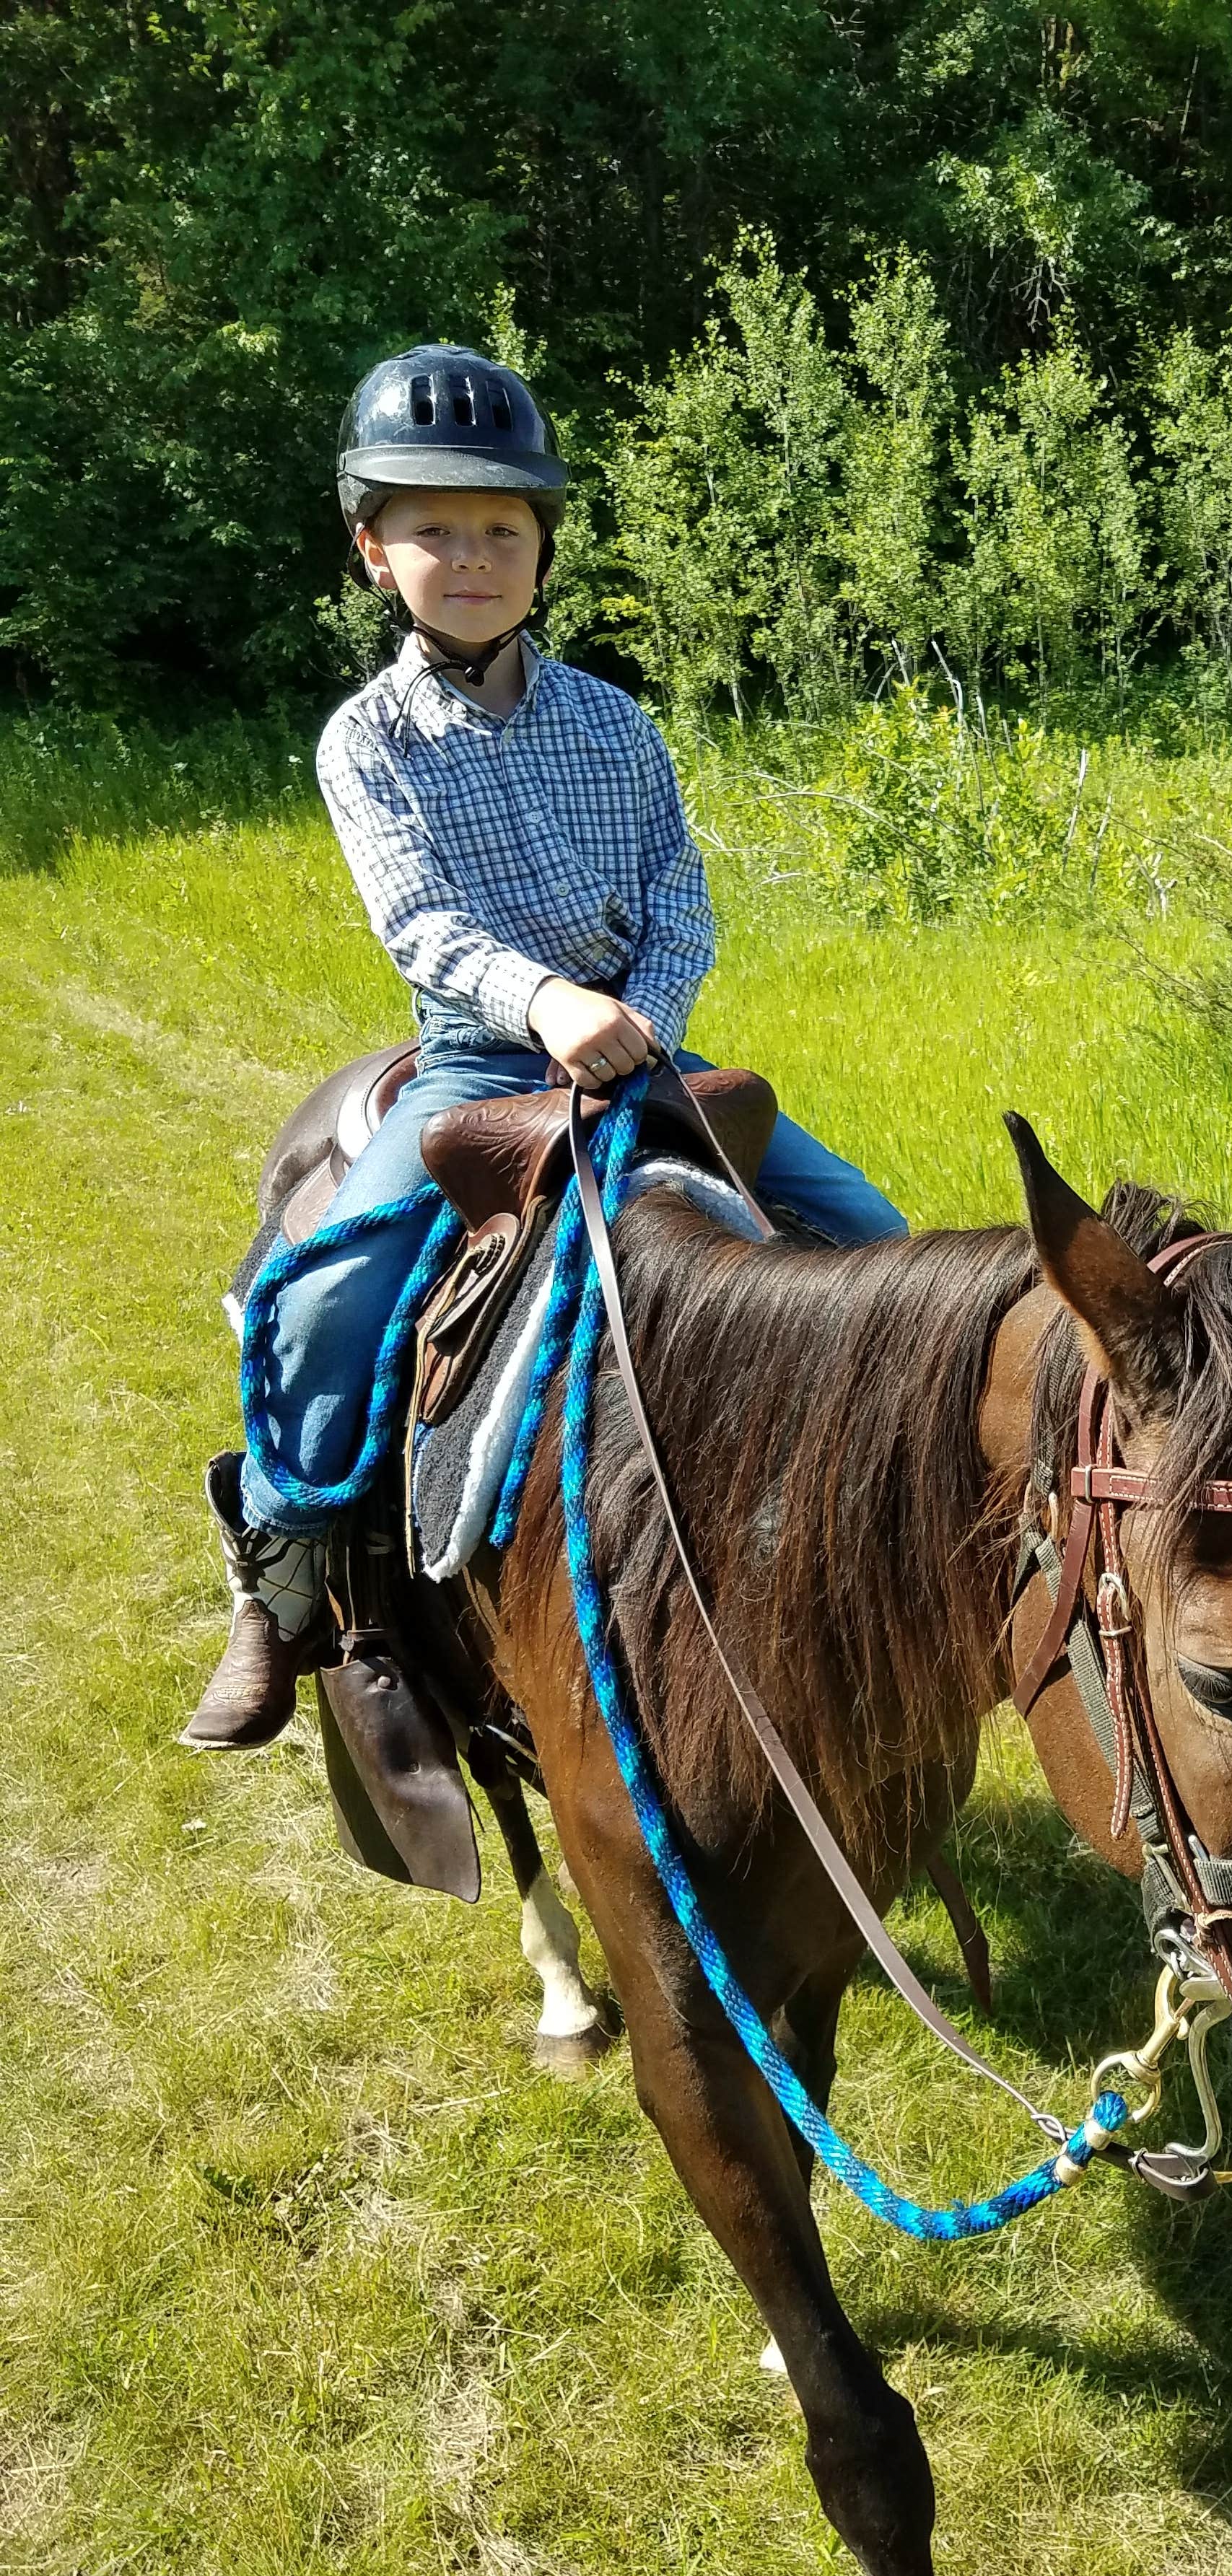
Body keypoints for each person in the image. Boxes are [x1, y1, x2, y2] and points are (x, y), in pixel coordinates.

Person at [182, 342, 905, 1753]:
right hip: (473, 1066)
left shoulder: (616, 726)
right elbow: (422, 923)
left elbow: (682, 904)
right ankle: (277, 1589)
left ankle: (897, 1543)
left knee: (870, 1235)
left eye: (500, 528)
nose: (470, 555)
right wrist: (548, 1007)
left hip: (642, 1059)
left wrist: (643, 1021)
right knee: (320, 1304)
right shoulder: (366, 741)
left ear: (543, 550)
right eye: (432, 527)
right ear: (372, 551)